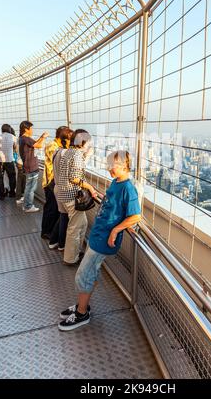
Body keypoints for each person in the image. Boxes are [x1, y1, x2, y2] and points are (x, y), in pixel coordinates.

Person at [58, 151, 141, 331]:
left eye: (114, 165)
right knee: (90, 273)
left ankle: (82, 314)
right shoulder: (116, 182)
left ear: (125, 166)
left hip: (104, 240)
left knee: (83, 275)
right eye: (109, 164)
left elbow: (135, 215)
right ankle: (82, 305)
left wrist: (116, 230)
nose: (109, 168)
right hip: (97, 235)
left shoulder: (128, 188)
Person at [56, 129, 96, 265]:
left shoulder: (68, 152)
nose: (89, 144)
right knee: (74, 228)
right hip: (72, 196)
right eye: (88, 141)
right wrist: (90, 187)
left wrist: (87, 156)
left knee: (82, 223)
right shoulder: (77, 155)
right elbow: (74, 177)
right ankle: (70, 259)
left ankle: (77, 252)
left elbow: (74, 169)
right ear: (82, 142)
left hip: (64, 194)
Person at [41, 126, 73, 240]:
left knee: (56, 209)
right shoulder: (52, 146)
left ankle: (52, 232)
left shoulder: (60, 147)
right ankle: (46, 231)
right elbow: (59, 160)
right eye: (69, 137)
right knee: (51, 208)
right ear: (63, 137)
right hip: (51, 181)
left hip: (56, 181)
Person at [19, 121, 49, 213]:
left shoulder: (22, 138)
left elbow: (35, 143)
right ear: (26, 129)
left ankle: (26, 205)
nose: (32, 130)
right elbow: (39, 145)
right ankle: (28, 206)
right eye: (31, 128)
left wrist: (41, 137)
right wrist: (43, 137)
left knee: (28, 187)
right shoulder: (25, 138)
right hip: (31, 166)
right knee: (31, 188)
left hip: (28, 166)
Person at [0, 124, 17, 200]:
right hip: (9, 160)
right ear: (9, 129)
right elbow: (15, 148)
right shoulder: (13, 137)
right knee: (12, 177)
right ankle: (12, 193)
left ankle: (1, 195)